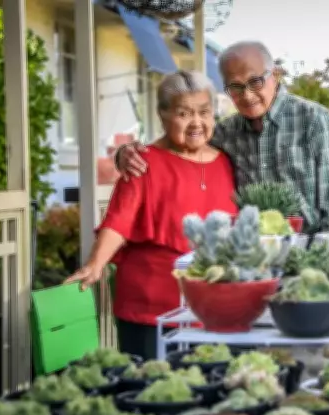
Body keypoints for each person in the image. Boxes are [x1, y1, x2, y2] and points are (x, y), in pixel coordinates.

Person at [64, 71, 237, 360]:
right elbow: (119, 220)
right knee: (150, 394)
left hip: (212, 306)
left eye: (204, 112)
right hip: (151, 308)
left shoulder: (226, 162)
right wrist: (95, 264)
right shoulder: (143, 162)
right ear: (163, 114)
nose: (197, 122)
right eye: (184, 113)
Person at [113, 41, 329, 232]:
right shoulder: (225, 133)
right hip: (249, 259)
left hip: (307, 253)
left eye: (255, 82)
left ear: (276, 75)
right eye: (235, 87)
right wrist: (126, 153)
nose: (246, 95)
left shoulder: (313, 120)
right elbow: (179, 146)